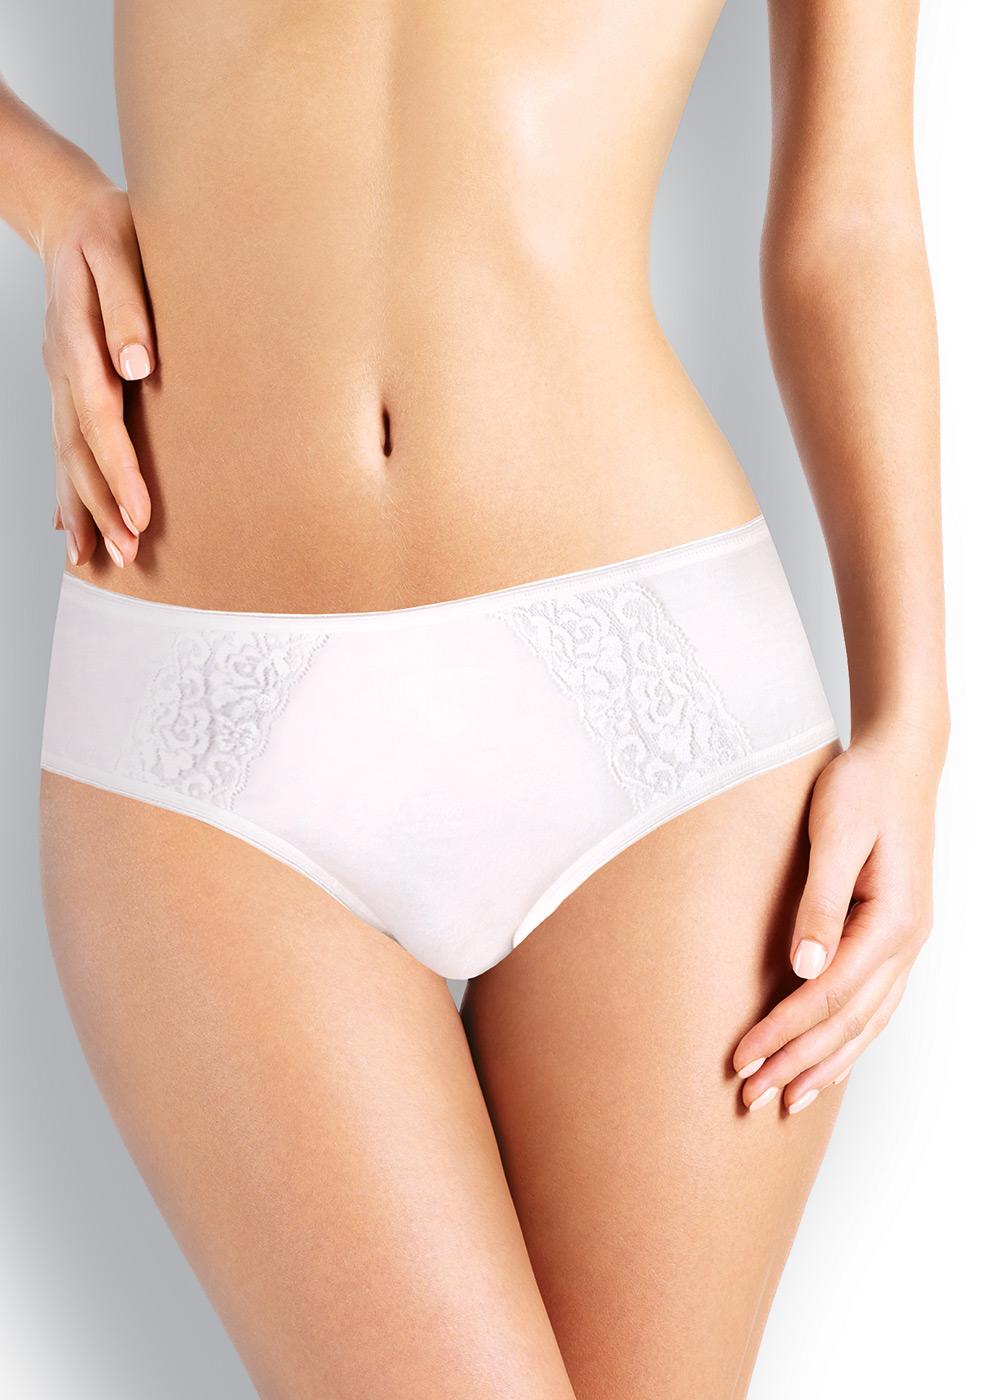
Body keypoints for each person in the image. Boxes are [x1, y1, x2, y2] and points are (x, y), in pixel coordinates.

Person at [1, 1, 948, 1395]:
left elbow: (847, 217)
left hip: (661, 711)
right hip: (201, 717)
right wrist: (52, 198)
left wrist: (913, 722)